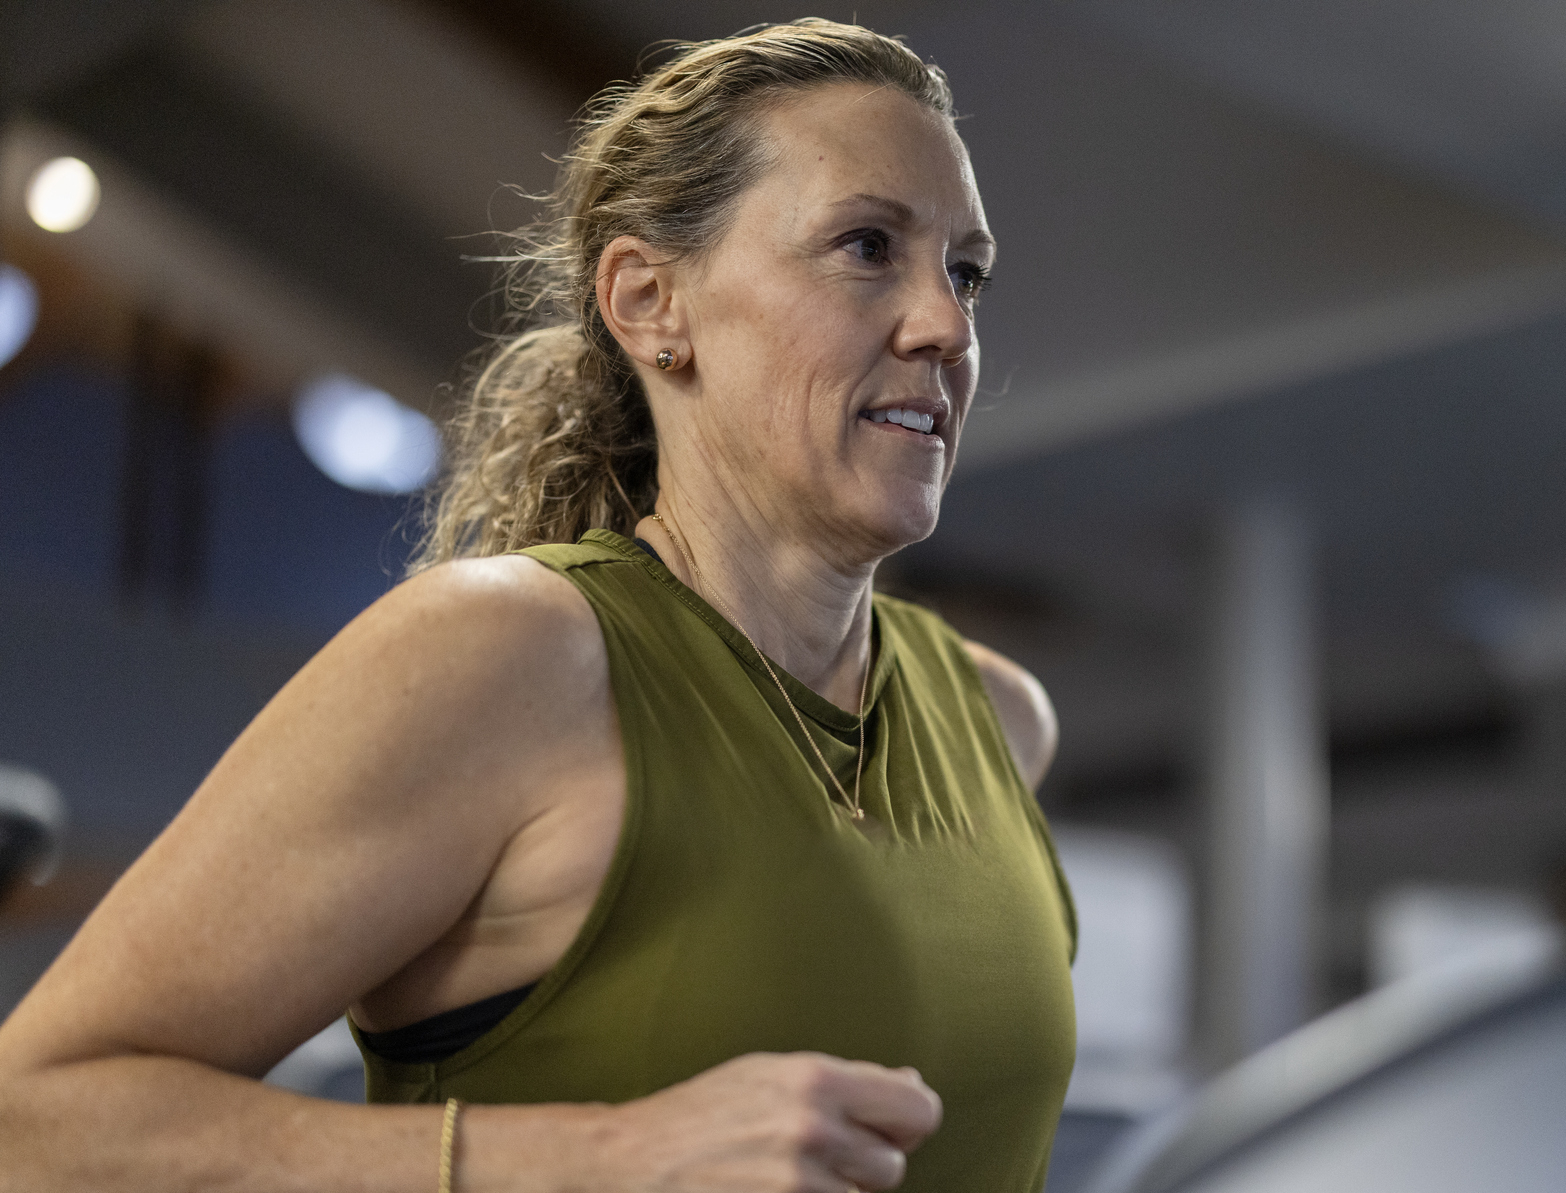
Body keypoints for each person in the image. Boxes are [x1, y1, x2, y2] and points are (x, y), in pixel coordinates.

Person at [0, 20, 1075, 1193]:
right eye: (867, 246)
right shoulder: (510, 653)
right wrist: (607, 1153)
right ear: (650, 302)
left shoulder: (998, 719)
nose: (948, 326)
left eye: (963, 272)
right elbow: (36, 1119)